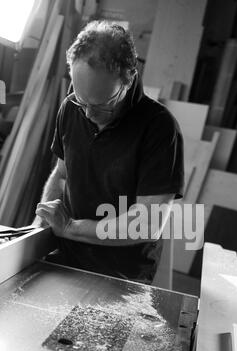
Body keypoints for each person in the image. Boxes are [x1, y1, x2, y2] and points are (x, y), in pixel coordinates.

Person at [34, 21, 184, 284]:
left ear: (129, 78)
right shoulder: (70, 108)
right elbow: (61, 175)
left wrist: (70, 227)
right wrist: (39, 229)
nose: (89, 115)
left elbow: (146, 223)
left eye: (103, 105)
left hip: (120, 274)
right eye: (82, 101)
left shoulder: (160, 128)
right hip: (65, 257)